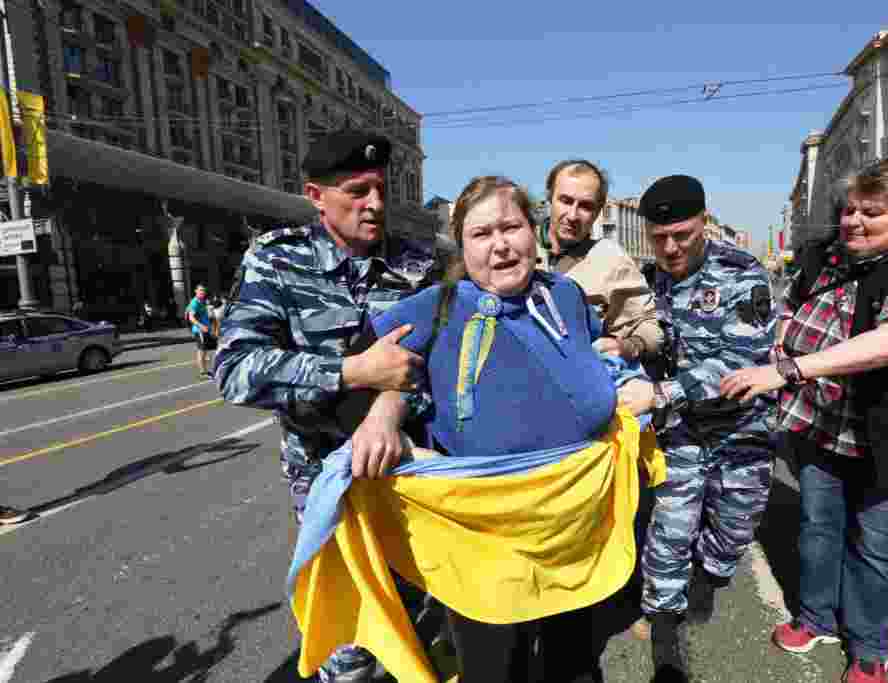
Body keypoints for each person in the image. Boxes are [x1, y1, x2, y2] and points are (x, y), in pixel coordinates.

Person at [293, 175, 659, 683]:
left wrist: (629, 380)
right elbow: (363, 377)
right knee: (494, 672)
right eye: (482, 234)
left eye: (512, 227)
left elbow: (596, 353)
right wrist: (382, 417)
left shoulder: (567, 296)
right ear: (461, 247)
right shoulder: (434, 307)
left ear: (535, 231)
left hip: (575, 533)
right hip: (484, 544)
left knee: (574, 666)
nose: (501, 244)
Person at [721, 158, 888, 683]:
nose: (854, 221)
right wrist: (781, 335)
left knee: (877, 548)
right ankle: (814, 618)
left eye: (872, 212)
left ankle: (870, 648)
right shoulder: (826, 257)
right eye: (850, 209)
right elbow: (790, 306)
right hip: (820, 428)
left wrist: (787, 369)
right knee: (818, 529)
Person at [215, 131, 443, 683]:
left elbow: (442, 364)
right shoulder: (277, 261)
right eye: (357, 191)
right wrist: (351, 371)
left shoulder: (419, 265)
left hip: (407, 475)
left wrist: (390, 402)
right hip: (325, 481)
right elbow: (235, 371)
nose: (376, 204)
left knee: (415, 625)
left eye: (381, 189)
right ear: (317, 196)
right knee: (349, 645)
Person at [632, 175, 777, 682]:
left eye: (683, 235)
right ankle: (666, 635)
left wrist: (660, 392)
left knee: (735, 527)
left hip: (742, 429)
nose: (670, 248)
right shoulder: (651, 279)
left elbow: (738, 365)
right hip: (683, 431)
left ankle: (707, 579)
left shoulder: (741, 273)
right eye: (659, 237)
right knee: (670, 529)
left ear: (703, 224)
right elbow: (644, 339)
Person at [541, 159, 663, 365]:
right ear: (549, 199)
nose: (573, 215)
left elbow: (651, 326)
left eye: (586, 206)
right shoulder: (517, 248)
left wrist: (628, 346)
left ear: (598, 212)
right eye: (565, 201)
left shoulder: (609, 258)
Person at [185, 284, 214, 379]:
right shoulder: (195, 302)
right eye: (200, 290)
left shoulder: (201, 301)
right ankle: (202, 373)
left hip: (204, 330)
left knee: (204, 351)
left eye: (204, 290)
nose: (202, 292)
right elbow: (191, 318)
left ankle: (204, 370)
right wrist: (201, 326)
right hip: (199, 330)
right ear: (195, 291)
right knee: (201, 351)